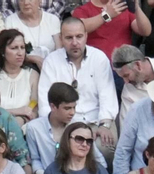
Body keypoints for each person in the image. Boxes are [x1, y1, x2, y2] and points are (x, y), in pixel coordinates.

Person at [39, 18, 116, 146]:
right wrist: (54, 128)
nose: (75, 42)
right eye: (69, 38)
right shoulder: (51, 61)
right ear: (61, 39)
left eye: (79, 36)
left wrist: (105, 124)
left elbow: (107, 95)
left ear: (86, 36)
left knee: (105, 148)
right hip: (63, 124)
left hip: (96, 121)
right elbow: (45, 100)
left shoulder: (99, 58)